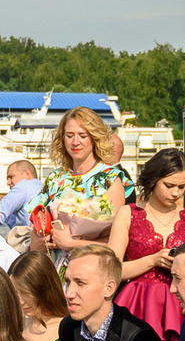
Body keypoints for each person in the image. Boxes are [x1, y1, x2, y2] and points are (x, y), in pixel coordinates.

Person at [109, 147, 185, 341]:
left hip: (178, 305)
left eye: (182, 187)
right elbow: (111, 270)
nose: (175, 193)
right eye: (169, 186)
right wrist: (153, 260)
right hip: (136, 302)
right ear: (153, 179)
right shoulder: (128, 213)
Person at [35, 107, 130, 256]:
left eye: (82, 135)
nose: (75, 142)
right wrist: (44, 238)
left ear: (94, 138)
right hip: (53, 266)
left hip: (93, 265)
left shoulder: (110, 179)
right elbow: (34, 227)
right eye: (69, 135)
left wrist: (71, 243)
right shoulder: (54, 178)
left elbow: (116, 241)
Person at [0, 158, 41, 234]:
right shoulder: (43, 187)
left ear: (27, 174)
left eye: (11, 177)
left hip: (29, 240)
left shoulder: (24, 185)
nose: (8, 183)